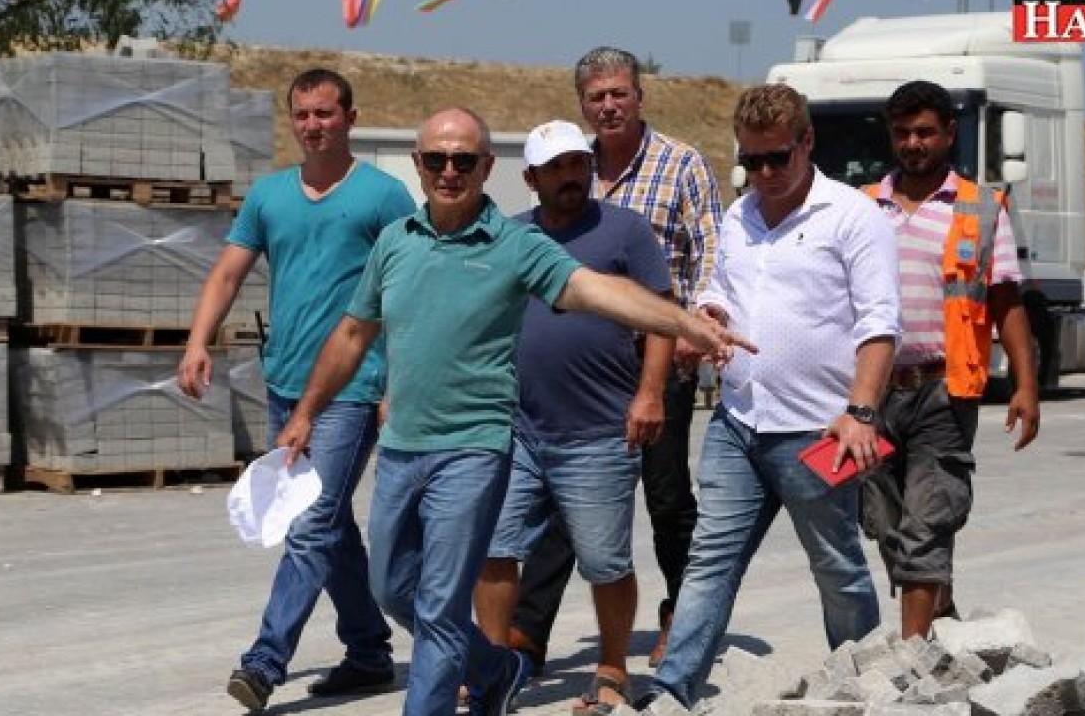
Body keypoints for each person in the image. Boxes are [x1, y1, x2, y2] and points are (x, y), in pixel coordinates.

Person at [272, 107, 754, 716]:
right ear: (418, 165)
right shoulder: (395, 241)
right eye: (437, 160)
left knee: (443, 602)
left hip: (476, 446)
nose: (449, 171)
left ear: (485, 168)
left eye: (463, 160)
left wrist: (684, 323)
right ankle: (494, 668)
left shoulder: (516, 245)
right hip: (401, 447)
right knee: (392, 588)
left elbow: (595, 290)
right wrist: (306, 412)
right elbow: (351, 333)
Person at [639, 83, 900, 710]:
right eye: (750, 160)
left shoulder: (852, 216)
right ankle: (672, 690)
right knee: (709, 560)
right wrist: (709, 318)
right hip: (739, 422)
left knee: (836, 566)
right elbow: (720, 291)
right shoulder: (739, 217)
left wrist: (861, 412)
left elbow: (879, 324)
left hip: (819, 430)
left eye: (776, 158)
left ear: (807, 143)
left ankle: (865, 688)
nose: (762, 173)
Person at [178, 69, 413, 712]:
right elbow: (228, 275)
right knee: (329, 527)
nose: (313, 125)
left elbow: (412, 289)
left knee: (309, 525)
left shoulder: (384, 197)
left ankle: (264, 662)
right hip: (284, 383)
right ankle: (369, 652)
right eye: (303, 114)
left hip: (352, 389)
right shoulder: (269, 196)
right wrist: (198, 341)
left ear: (350, 118)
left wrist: (396, 381)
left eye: (325, 113)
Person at [509, 45, 724, 672]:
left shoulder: (681, 163)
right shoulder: (571, 164)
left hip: (657, 355)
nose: (608, 105)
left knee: (666, 497)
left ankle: (682, 617)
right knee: (562, 499)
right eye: (596, 97)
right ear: (583, 106)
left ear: (639, 97)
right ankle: (526, 633)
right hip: (582, 371)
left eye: (618, 94)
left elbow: (712, 252)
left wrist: (695, 322)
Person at [471, 120, 673, 714]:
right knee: (494, 548)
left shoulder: (626, 231)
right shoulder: (508, 236)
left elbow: (663, 316)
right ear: (531, 177)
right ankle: (491, 670)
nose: (570, 177)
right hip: (517, 429)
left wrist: (650, 393)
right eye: (556, 168)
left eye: (578, 164)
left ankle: (612, 668)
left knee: (605, 561)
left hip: (600, 432)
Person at [859, 80, 1040, 639]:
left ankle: (913, 657)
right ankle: (940, 608)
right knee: (882, 519)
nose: (913, 144)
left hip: (944, 390)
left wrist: (1026, 385)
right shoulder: (862, 206)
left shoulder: (981, 208)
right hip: (871, 393)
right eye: (902, 133)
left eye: (925, 132)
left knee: (929, 516)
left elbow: (1005, 300)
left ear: (949, 133)